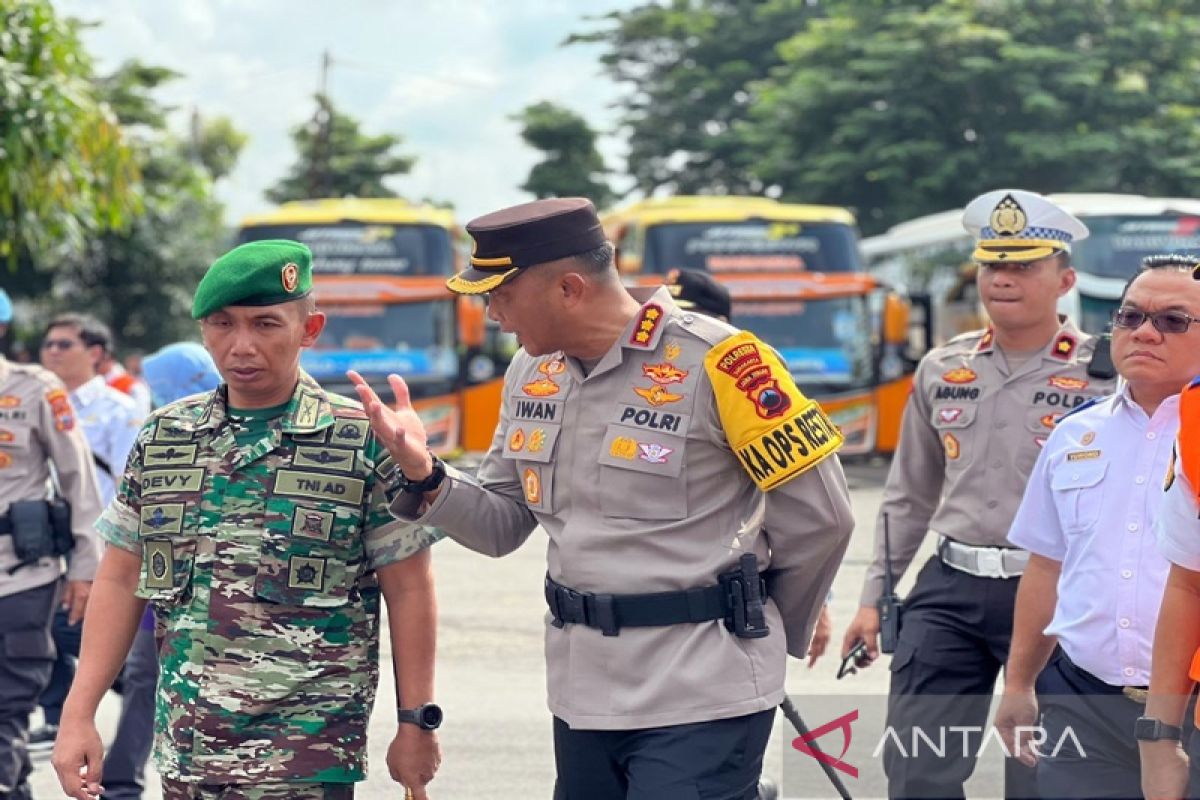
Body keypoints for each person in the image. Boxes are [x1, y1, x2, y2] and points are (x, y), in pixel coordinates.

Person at [352, 197, 855, 799]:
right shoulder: (531, 373)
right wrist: (425, 472)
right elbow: (501, 526)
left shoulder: (724, 363)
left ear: (567, 288)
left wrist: (760, 621)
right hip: (583, 693)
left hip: (701, 686)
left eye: (500, 295)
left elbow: (822, 519)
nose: (492, 315)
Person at [51, 240, 442, 800]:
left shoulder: (361, 438)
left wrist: (416, 722)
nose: (241, 346)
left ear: (310, 329)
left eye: (265, 324)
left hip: (307, 753)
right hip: (187, 748)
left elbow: (409, 588)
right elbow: (119, 577)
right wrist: (79, 713)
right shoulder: (166, 436)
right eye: (221, 324)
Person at [838, 189, 1117, 799]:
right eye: (993, 264)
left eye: (1024, 265)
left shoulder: (1107, 375)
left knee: (1043, 776)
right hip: (951, 589)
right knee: (917, 770)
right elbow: (908, 495)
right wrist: (873, 597)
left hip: (1060, 592)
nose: (1004, 279)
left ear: (1065, 277)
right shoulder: (942, 368)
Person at [993, 254, 1200, 798]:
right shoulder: (1073, 435)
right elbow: (1046, 566)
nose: (1145, 333)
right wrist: (1018, 683)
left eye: (1173, 321)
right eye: (1130, 317)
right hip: (1082, 697)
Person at [665, 267, 834, 669]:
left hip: (740, 584)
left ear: (721, 322)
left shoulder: (751, 377)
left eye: (692, 316)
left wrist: (813, 606)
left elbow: (810, 510)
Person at [0, 292, 103, 800]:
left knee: (10, 701)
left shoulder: (35, 389)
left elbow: (77, 480)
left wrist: (85, 568)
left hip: (19, 572)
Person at [31, 314, 143, 755]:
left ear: (94, 353)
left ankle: (134, 683)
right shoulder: (35, 402)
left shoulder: (119, 409)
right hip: (41, 544)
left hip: (97, 545)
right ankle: (57, 714)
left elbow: (125, 483)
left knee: (79, 631)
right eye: (48, 344)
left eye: (63, 344)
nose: (51, 351)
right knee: (42, 630)